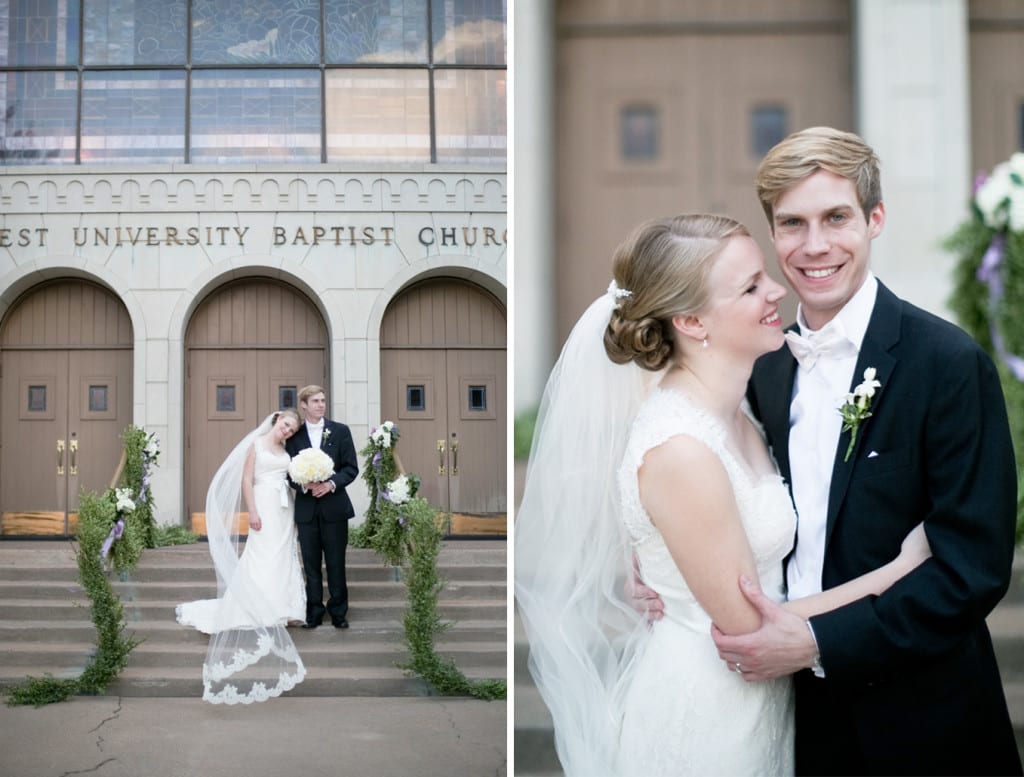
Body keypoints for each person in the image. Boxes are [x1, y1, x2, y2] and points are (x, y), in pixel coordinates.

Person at [514, 214, 932, 776]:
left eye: (764, 276)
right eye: (752, 286)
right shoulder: (681, 448)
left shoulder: (739, 405)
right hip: (707, 716)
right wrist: (900, 570)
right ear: (690, 320)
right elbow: (749, 627)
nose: (777, 291)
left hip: (764, 705)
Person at [696, 127, 1021, 775]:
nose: (814, 246)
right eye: (792, 223)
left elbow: (972, 568)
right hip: (792, 723)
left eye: (836, 217)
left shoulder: (949, 363)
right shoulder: (763, 368)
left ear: (875, 219)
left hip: (925, 724)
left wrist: (819, 640)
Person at [176, 408, 307, 704]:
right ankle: (257, 606)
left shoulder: (287, 451)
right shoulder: (256, 445)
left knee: (283, 554)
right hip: (262, 503)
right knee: (261, 553)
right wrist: (253, 511)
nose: (287, 431)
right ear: (277, 420)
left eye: (292, 429)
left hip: (284, 506)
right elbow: (247, 480)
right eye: (286, 425)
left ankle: (283, 607)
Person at [287, 384, 359, 629]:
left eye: (323, 400)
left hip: (334, 508)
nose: (321, 405)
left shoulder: (340, 431)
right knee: (311, 563)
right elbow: (287, 473)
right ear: (304, 405)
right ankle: (314, 610)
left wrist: (330, 484)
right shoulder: (294, 436)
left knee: (336, 561)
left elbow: (351, 468)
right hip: (307, 510)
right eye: (315, 401)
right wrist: (305, 485)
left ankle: (339, 611)